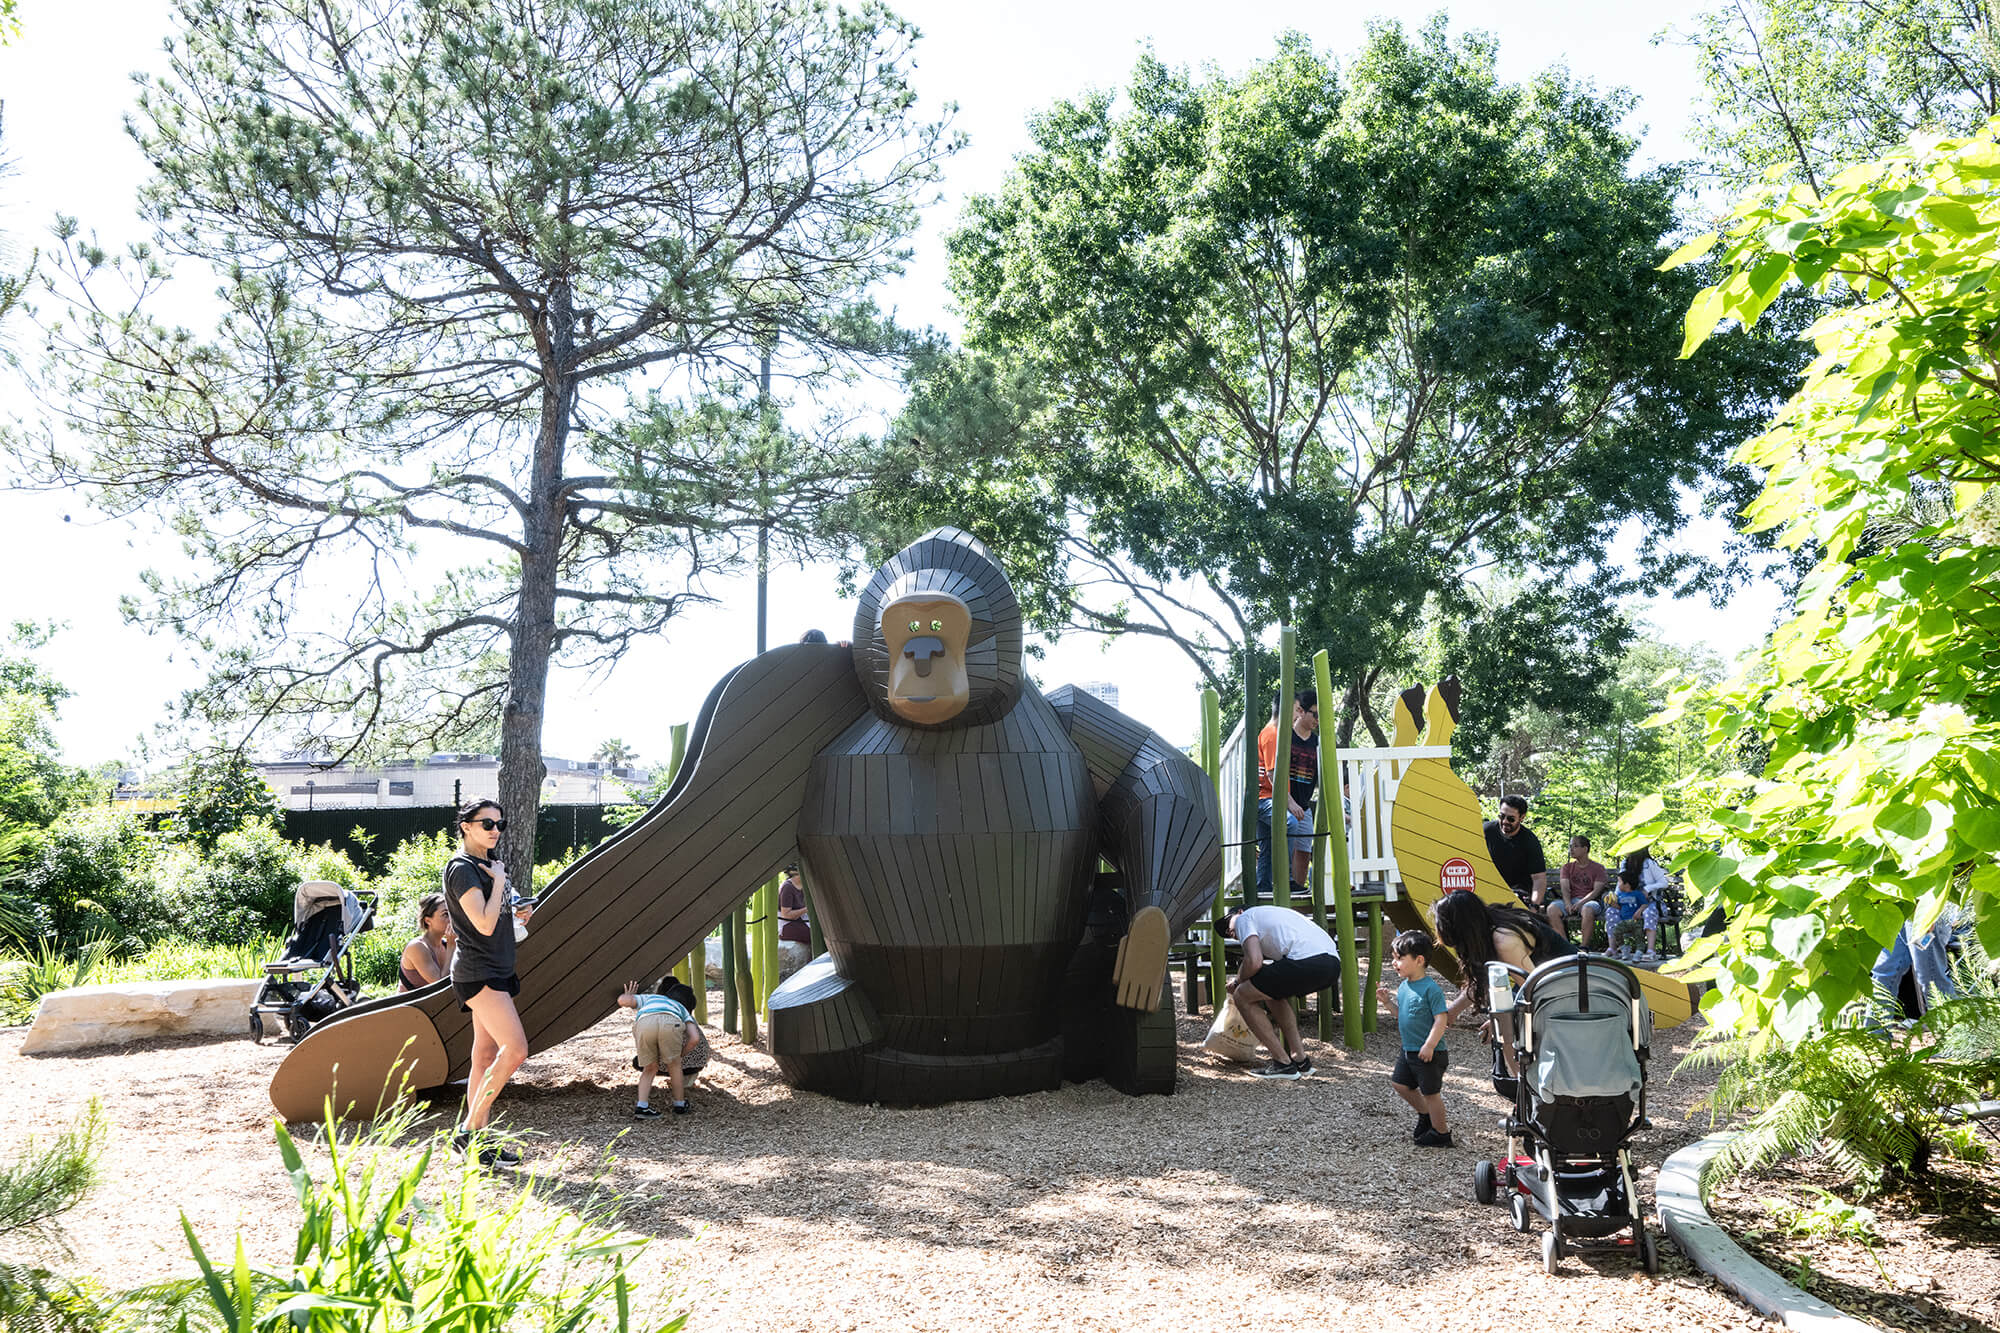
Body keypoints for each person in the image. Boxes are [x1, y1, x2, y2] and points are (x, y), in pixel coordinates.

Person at [443, 798, 534, 1166]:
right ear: (466, 826)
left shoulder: (489, 865)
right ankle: (468, 1131)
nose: (495, 830)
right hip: (478, 971)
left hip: (496, 966)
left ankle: (476, 1140)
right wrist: (498, 883)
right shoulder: (463, 868)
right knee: (516, 1050)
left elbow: (498, 919)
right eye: (486, 823)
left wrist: (519, 911)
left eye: (500, 823)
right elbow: (481, 922)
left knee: (482, 1056)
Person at [1431, 889, 1574, 1090]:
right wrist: (1452, 1012)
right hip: (1551, 982)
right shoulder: (1489, 927)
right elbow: (1481, 983)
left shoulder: (1504, 939)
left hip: (1571, 987)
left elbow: (1538, 988)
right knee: (1502, 1023)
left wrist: (1506, 1016)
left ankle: (1529, 1095)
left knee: (1504, 1031)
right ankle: (1529, 1095)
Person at [1218, 904, 1340, 1080]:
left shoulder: (1245, 918)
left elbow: (1254, 961)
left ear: (1239, 912)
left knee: (1242, 996)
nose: (1232, 933)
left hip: (1307, 961)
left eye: (1229, 926)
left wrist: (1237, 982)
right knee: (1270, 991)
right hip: (1332, 965)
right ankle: (1300, 1060)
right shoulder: (1273, 915)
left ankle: (1282, 1062)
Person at [1377, 930, 1453, 1148]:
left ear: (1419, 960)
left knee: (1431, 1093)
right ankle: (1425, 1115)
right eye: (1393, 958)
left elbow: (1441, 1020)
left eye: (1399, 958)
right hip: (1409, 1050)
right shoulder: (1403, 987)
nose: (1394, 963)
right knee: (1400, 1084)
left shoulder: (1431, 989)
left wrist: (1429, 1045)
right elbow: (1401, 1014)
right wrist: (1387, 1003)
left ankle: (1441, 1133)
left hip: (1430, 1053)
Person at [1254, 689, 1320, 904]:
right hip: (1266, 798)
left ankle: (1263, 885)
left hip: (1268, 797)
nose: (1298, 712)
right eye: (1296, 708)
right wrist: (1290, 803)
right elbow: (1273, 774)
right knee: (1289, 823)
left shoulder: (1274, 732)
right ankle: (1287, 877)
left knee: (1266, 845)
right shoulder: (1274, 734)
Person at [616, 976, 707, 1116]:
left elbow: (622, 1001)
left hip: (644, 1024)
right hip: (671, 1023)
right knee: (674, 1066)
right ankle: (679, 1104)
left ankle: (642, 1106)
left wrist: (628, 995)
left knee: (649, 1068)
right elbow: (694, 1039)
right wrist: (680, 1054)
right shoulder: (682, 1009)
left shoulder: (652, 999)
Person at [1870, 906, 1959, 1020]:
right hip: (1899, 908)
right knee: (1884, 970)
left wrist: (1931, 911)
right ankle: (1874, 1033)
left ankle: (1954, 1032)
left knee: (1930, 977)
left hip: (1925, 909)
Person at [1591, 846, 1667, 962]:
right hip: (1627, 902)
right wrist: (1614, 898)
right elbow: (1621, 882)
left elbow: (1664, 882)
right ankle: (1613, 949)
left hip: (1649, 903)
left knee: (1649, 912)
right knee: (1611, 911)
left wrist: (1647, 888)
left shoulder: (1649, 863)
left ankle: (1651, 951)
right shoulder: (1625, 863)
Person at [1482, 795, 1548, 912]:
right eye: (1502, 816)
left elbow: (1539, 879)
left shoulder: (1529, 840)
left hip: (1518, 897)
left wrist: (1534, 907)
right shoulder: (1486, 832)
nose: (1505, 821)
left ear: (1522, 817)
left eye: (1511, 819)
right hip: (1489, 893)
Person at [1555, 835, 1608, 944]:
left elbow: (1596, 892)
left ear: (1585, 849)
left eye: (1575, 846)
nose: (1571, 850)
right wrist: (1567, 903)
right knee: (1552, 909)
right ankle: (1565, 947)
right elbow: (1565, 888)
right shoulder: (1567, 867)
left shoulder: (1598, 868)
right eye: (1570, 846)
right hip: (1571, 901)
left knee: (1587, 909)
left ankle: (1584, 947)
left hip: (1590, 902)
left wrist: (1581, 903)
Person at [398, 892, 454, 991]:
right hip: (411, 1005)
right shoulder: (417, 947)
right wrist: (452, 946)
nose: (451, 919)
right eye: (445, 914)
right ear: (428, 920)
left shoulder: (445, 944)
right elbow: (441, 986)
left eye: (452, 913)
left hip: (440, 1004)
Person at [777, 865, 812, 975]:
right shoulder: (787, 887)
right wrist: (807, 909)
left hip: (801, 921)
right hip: (787, 926)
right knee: (815, 934)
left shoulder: (804, 885)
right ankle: (810, 967)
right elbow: (786, 914)